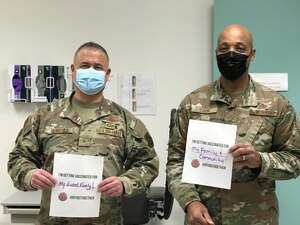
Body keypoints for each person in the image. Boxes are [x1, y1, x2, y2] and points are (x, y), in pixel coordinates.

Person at [7, 42, 159, 225]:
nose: (91, 71)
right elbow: (18, 158)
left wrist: (125, 183)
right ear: (73, 69)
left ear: (107, 74)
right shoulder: (44, 116)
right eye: (85, 66)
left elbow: (148, 163)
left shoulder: (125, 120)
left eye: (98, 67)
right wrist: (30, 175)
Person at [166, 24, 300, 225]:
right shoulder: (193, 103)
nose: (230, 54)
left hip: (257, 218)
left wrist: (260, 161)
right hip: (205, 219)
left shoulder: (277, 105)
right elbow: (176, 162)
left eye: (239, 48)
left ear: (252, 54)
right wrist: (190, 202)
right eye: (224, 48)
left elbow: (294, 161)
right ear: (216, 53)